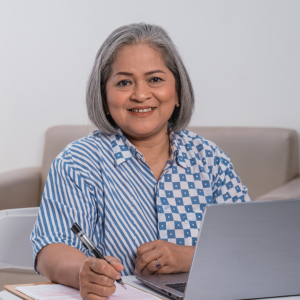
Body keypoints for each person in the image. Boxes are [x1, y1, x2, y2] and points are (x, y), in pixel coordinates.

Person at [31, 23, 251, 299]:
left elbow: (249, 245)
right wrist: (82, 271)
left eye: (155, 79)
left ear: (179, 91)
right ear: (104, 95)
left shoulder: (210, 159)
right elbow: (52, 246)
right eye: (124, 82)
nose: (141, 94)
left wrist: (191, 257)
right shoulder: (78, 162)